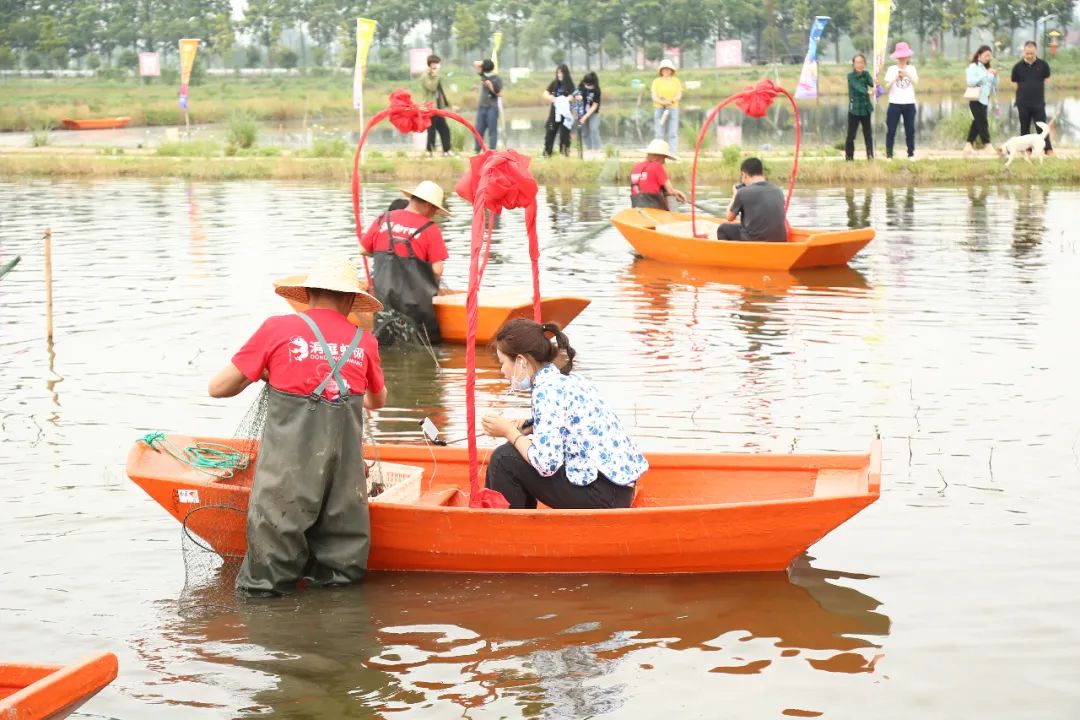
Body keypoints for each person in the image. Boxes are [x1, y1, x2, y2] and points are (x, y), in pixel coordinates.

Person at [208, 255, 387, 597]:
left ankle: (273, 637)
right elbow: (377, 401)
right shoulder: (364, 342)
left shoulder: (278, 329)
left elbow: (218, 389)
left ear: (307, 293)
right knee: (341, 578)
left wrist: (267, 373)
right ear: (350, 300)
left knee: (267, 581)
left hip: (287, 478)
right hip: (343, 481)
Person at [480, 319, 648, 510]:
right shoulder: (567, 378)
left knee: (504, 458)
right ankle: (522, 523)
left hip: (603, 496)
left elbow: (546, 464)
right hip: (616, 490)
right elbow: (570, 425)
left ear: (521, 361)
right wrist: (530, 426)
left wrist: (510, 432)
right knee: (513, 453)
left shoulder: (547, 391)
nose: (502, 371)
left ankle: (510, 532)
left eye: (502, 363)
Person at [359, 181, 450, 344]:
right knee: (426, 346)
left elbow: (363, 249)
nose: (435, 213)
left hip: (383, 303)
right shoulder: (430, 228)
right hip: (416, 306)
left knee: (385, 345)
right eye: (436, 208)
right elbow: (437, 270)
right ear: (428, 205)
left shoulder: (383, 219)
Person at [716, 157, 787, 243]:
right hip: (780, 240)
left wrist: (735, 195)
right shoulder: (778, 190)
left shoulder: (743, 192)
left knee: (723, 229)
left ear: (744, 174)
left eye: (742, 177)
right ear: (761, 173)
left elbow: (729, 217)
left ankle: (733, 255)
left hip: (754, 241)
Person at [1011, 41, 1053, 156]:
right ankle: (1026, 151)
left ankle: (1048, 149)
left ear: (1036, 51)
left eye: (1032, 53)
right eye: (1027, 53)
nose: (1029, 56)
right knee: (1024, 127)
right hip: (1022, 103)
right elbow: (1014, 84)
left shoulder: (1043, 65)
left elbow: (1046, 80)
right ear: (1024, 52)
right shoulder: (1017, 67)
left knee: (1042, 127)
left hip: (1038, 103)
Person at [882, 41, 919, 160]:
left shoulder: (911, 68)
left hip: (909, 103)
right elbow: (886, 86)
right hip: (894, 103)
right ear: (897, 57)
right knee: (891, 130)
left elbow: (916, 82)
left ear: (908, 57)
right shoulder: (892, 69)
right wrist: (895, 78)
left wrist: (907, 74)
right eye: (900, 57)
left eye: (905, 57)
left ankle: (911, 154)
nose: (903, 59)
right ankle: (889, 155)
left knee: (910, 130)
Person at [629, 139, 687, 210]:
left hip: (636, 207)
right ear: (658, 157)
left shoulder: (636, 167)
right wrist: (676, 193)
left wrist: (675, 193)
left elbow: (646, 189)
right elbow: (670, 190)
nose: (664, 162)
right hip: (653, 208)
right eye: (664, 158)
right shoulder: (657, 166)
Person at [964, 45, 999, 154]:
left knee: (977, 122)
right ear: (979, 55)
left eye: (990, 56)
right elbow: (970, 82)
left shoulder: (986, 68)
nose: (988, 58)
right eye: (986, 55)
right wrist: (985, 74)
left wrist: (995, 76)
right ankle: (987, 145)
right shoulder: (973, 67)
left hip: (984, 99)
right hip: (975, 99)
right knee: (983, 122)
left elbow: (994, 85)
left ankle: (968, 145)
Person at [419, 54, 452, 156]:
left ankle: (446, 150)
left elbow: (440, 91)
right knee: (431, 131)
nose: (436, 66)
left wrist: (446, 104)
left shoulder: (435, 76)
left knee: (444, 130)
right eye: (434, 63)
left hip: (438, 108)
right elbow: (432, 87)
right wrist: (435, 75)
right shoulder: (425, 76)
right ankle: (430, 151)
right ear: (430, 64)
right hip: (430, 108)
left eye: (437, 63)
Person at [845, 54, 874, 161]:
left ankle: (870, 157)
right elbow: (858, 87)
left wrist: (876, 84)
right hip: (854, 110)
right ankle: (849, 157)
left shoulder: (866, 74)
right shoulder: (850, 76)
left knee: (868, 134)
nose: (859, 64)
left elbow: (872, 83)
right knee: (851, 135)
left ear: (864, 63)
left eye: (861, 62)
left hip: (866, 109)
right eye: (857, 62)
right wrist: (868, 92)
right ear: (853, 64)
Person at [542, 64, 575, 158]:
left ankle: (564, 154)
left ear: (565, 73)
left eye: (561, 73)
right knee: (550, 132)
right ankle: (547, 153)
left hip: (565, 114)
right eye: (558, 73)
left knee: (564, 135)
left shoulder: (569, 84)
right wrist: (550, 97)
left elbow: (574, 96)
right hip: (554, 114)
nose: (559, 75)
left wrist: (567, 99)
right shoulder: (554, 83)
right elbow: (545, 93)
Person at [651, 59, 682, 155]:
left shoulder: (676, 81)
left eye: (668, 69)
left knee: (673, 132)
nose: (666, 71)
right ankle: (658, 152)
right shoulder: (656, 81)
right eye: (664, 69)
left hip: (673, 108)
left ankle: (672, 153)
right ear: (661, 71)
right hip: (660, 108)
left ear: (671, 70)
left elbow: (679, 95)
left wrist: (671, 101)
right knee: (659, 133)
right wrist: (662, 102)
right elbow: (654, 96)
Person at [474, 59, 502, 153]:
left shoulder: (496, 78)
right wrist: (483, 62)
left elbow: (500, 94)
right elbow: (476, 63)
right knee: (478, 130)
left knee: (492, 130)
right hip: (482, 107)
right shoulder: (484, 75)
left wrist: (490, 86)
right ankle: (477, 150)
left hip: (492, 108)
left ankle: (492, 151)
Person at [576, 72, 602, 151]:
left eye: (590, 85)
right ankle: (589, 149)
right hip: (582, 112)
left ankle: (597, 149)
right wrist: (577, 97)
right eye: (586, 84)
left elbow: (594, 106)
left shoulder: (597, 90)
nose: (588, 86)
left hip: (593, 113)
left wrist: (586, 116)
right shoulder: (581, 86)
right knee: (585, 133)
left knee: (594, 129)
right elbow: (575, 95)